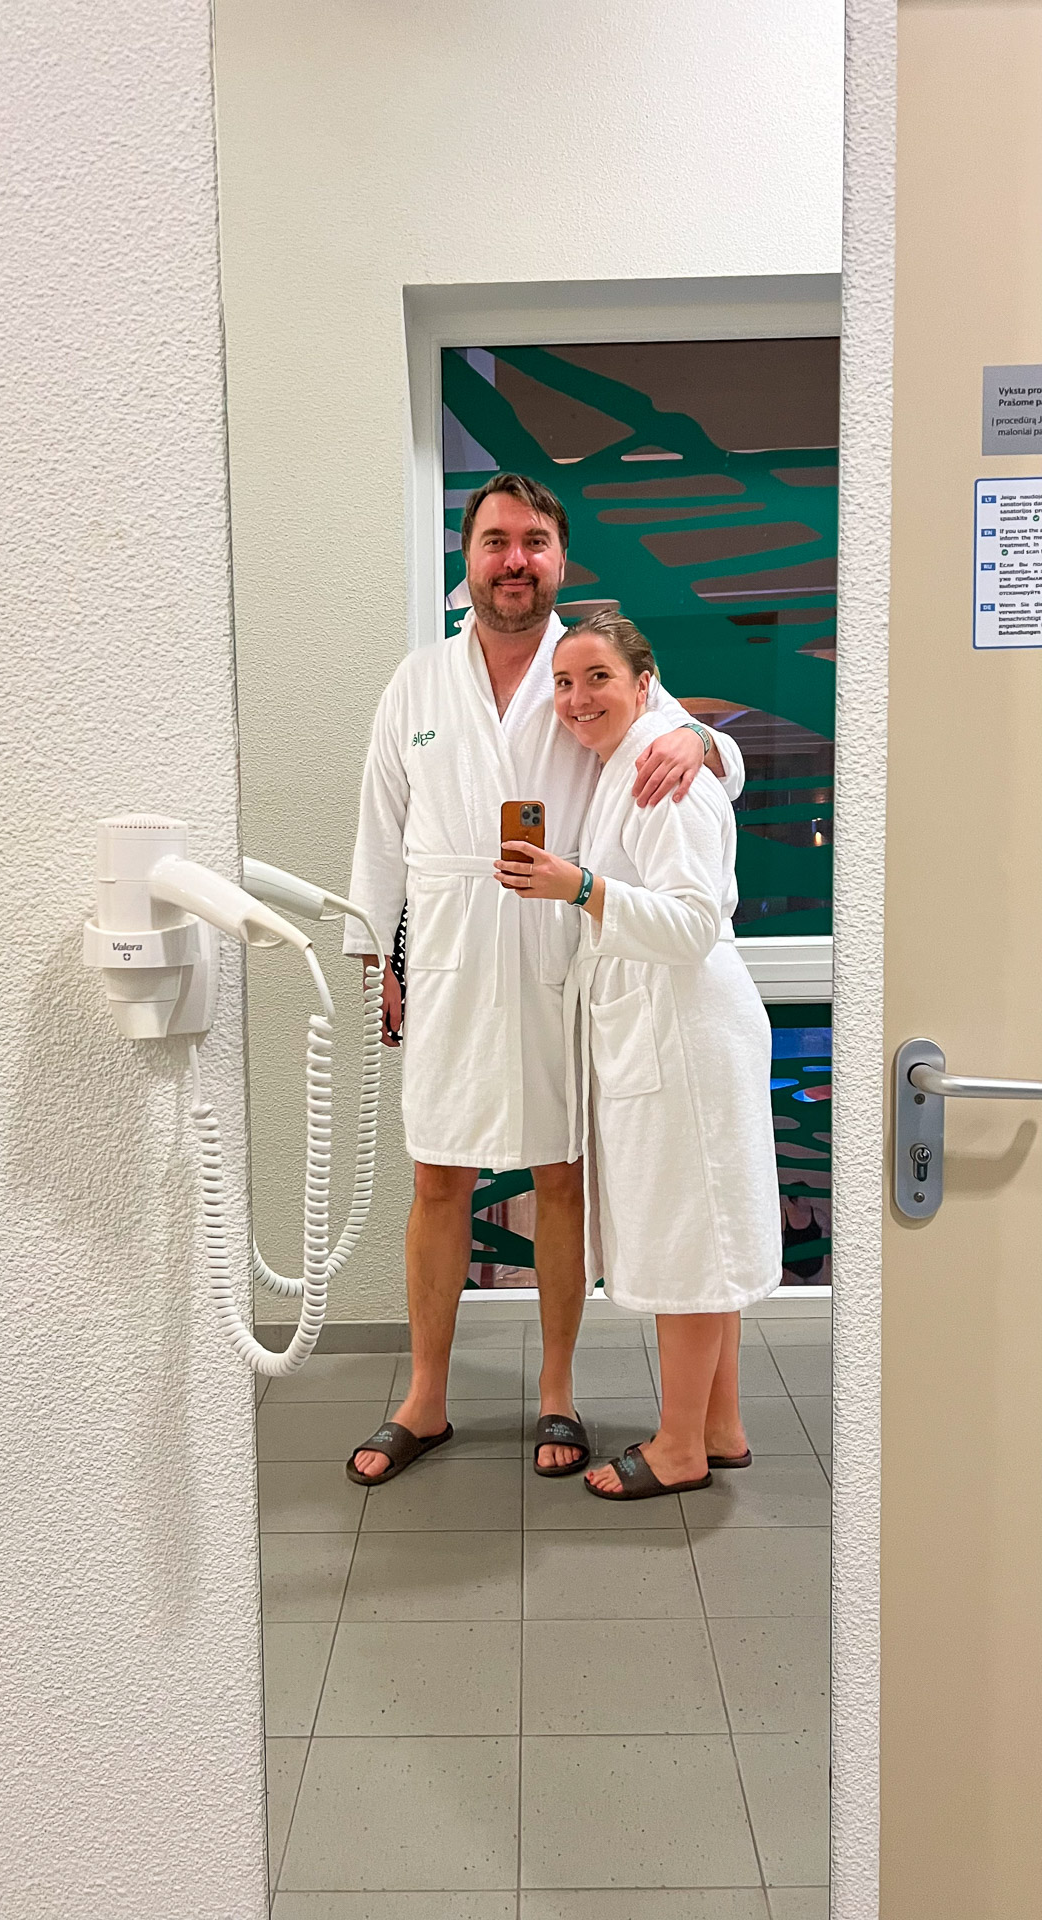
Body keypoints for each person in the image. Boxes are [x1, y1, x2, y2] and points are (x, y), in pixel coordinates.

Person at [343, 474, 745, 1486]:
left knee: (560, 1177)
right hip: (443, 954)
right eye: (493, 541)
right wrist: (376, 954)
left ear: (561, 559)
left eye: (533, 541)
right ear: (467, 559)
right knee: (439, 1176)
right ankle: (425, 1397)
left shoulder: (588, 662)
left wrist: (706, 740)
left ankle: (557, 1391)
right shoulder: (417, 683)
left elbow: (690, 747)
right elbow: (378, 828)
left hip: (561, 956)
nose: (513, 559)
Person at [495, 610, 781, 1499]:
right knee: (707, 1238)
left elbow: (696, 922)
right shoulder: (634, 762)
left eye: (599, 680)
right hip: (665, 1033)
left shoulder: (668, 773)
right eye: (566, 683)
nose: (578, 700)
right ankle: (721, 1426)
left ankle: (679, 1447)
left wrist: (575, 885)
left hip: (685, 1034)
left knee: (692, 1249)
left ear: (645, 684)